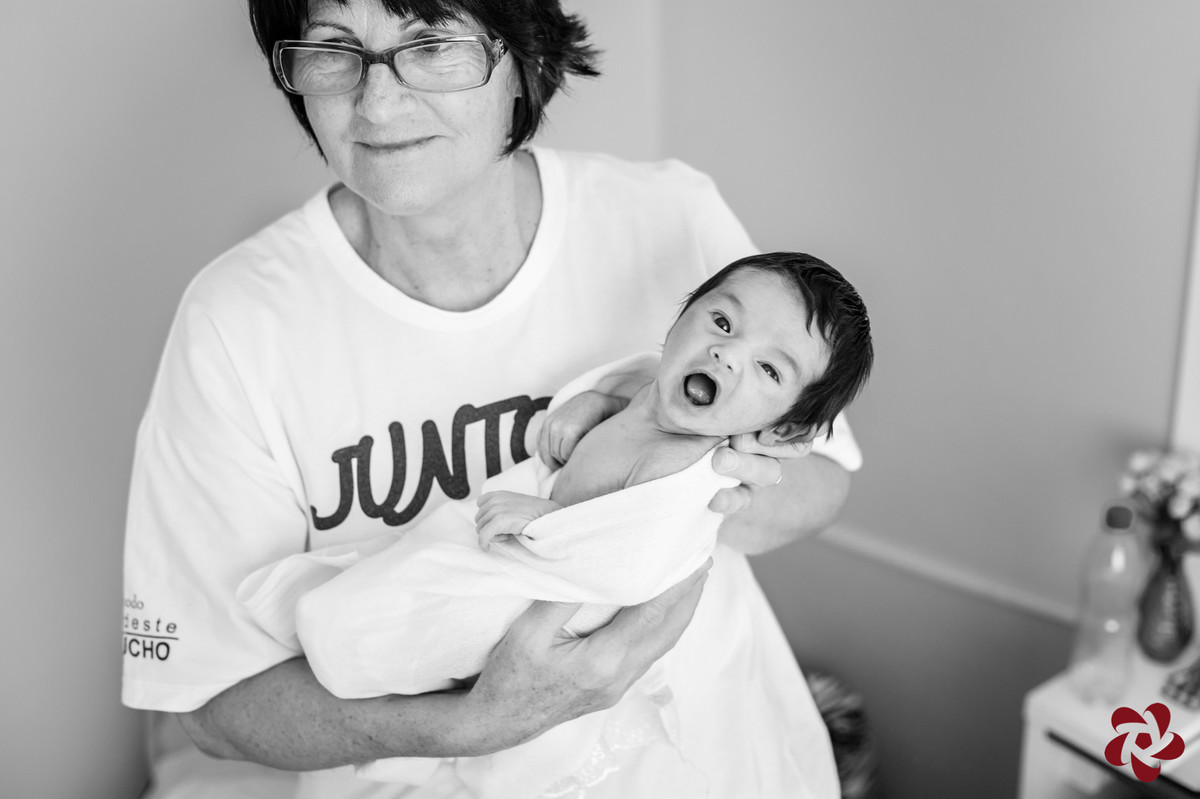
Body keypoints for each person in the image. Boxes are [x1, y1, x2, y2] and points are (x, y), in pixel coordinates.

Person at [121, 1, 862, 797]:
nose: (377, 101)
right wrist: (475, 722)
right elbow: (209, 704)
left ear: (525, 57)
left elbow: (821, 481)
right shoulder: (237, 320)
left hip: (703, 749)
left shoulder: (667, 223)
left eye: (433, 44)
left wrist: (668, 489)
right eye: (335, 50)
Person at [237, 252, 873, 795]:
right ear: (681, 314)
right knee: (393, 582)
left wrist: (544, 519)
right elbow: (623, 394)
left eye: (769, 369)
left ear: (785, 427)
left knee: (389, 628)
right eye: (722, 320)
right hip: (518, 542)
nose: (729, 354)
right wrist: (592, 404)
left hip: (552, 588)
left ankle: (368, 666)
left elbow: (628, 560)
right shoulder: (654, 391)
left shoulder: (687, 470)